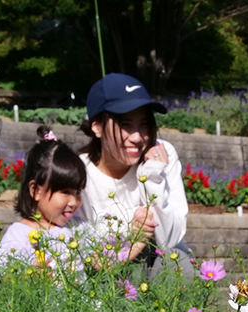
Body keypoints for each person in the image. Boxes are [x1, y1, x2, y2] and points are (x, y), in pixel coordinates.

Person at [76, 73, 191, 271]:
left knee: (177, 262)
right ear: (97, 127)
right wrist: (130, 232)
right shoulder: (78, 172)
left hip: (155, 262)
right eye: (125, 125)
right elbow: (80, 247)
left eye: (144, 124)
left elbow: (170, 240)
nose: (137, 137)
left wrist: (152, 176)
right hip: (102, 271)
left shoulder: (162, 156)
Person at [0, 127, 89, 271]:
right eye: (65, 192)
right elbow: (6, 277)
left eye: (78, 192)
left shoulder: (77, 227)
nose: (74, 202)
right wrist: (31, 275)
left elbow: (101, 260)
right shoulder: (19, 235)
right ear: (36, 190)